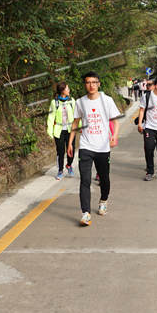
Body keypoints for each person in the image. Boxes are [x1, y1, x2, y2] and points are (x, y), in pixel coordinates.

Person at [67, 72, 121, 226]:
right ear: (85, 84)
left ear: (99, 84)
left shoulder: (107, 101)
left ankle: (103, 200)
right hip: (86, 146)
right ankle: (85, 213)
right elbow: (75, 123)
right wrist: (70, 143)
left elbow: (116, 122)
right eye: (88, 82)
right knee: (84, 179)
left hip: (103, 147)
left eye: (94, 82)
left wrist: (114, 136)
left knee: (104, 178)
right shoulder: (80, 102)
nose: (91, 85)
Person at [46, 82, 76, 180]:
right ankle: (60, 170)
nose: (69, 90)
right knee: (60, 151)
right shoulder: (54, 103)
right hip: (58, 130)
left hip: (70, 130)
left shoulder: (72, 101)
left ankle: (69, 165)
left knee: (71, 150)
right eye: (67, 88)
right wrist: (50, 131)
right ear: (62, 91)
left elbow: (76, 116)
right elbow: (51, 117)